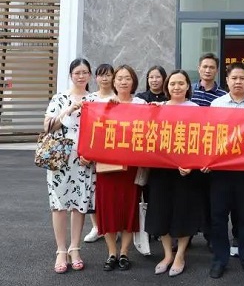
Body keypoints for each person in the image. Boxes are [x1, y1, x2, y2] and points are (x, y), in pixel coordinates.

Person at [208, 62, 244, 279]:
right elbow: (209, 136)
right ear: (227, 81)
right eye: (234, 78)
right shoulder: (217, 104)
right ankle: (219, 260)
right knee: (218, 216)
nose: (238, 82)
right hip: (221, 170)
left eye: (242, 78)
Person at [144, 70, 203, 277]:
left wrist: (192, 164)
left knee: (183, 212)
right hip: (162, 171)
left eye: (181, 83)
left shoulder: (196, 110)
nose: (176, 87)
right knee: (162, 212)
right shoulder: (157, 109)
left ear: (188, 86)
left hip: (186, 172)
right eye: (172, 83)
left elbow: (201, 141)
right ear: (167, 87)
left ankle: (180, 255)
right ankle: (168, 254)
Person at [45, 58, 96, 274]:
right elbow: (48, 126)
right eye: (77, 73)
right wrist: (68, 110)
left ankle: (75, 248)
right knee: (59, 205)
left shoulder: (94, 99)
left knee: (79, 203)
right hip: (60, 159)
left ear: (90, 75)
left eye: (85, 72)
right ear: (70, 75)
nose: (81, 76)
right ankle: (61, 250)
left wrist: (91, 155)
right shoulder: (60, 98)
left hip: (84, 160)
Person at [94, 64, 147, 272]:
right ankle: (111, 252)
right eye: (120, 78)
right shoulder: (103, 104)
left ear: (133, 82)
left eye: (127, 78)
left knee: (128, 208)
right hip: (107, 166)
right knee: (107, 208)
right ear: (113, 82)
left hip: (131, 167)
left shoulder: (141, 104)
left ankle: (124, 252)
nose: (123, 82)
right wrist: (108, 109)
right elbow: (94, 132)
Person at [190, 52, 227, 247]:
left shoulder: (223, 96)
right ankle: (186, 235)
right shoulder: (188, 91)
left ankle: (211, 236)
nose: (208, 70)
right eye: (204, 66)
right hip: (189, 150)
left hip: (213, 153)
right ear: (199, 68)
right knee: (189, 195)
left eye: (212, 67)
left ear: (217, 70)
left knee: (210, 197)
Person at [83, 63, 115, 244]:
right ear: (96, 78)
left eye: (108, 75)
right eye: (101, 75)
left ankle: (112, 226)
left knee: (109, 191)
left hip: (111, 150)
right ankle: (96, 227)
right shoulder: (90, 99)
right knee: (92, 189)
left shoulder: (117, 98)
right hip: (93, 149)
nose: (104, 78)